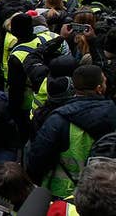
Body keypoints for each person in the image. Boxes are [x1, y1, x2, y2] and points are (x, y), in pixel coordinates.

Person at [26, 64, 116, 198]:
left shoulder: (59, 119)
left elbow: (37, 160)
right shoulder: (112, 114)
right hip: (107, 193)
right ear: (99, 88)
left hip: (63, 196)